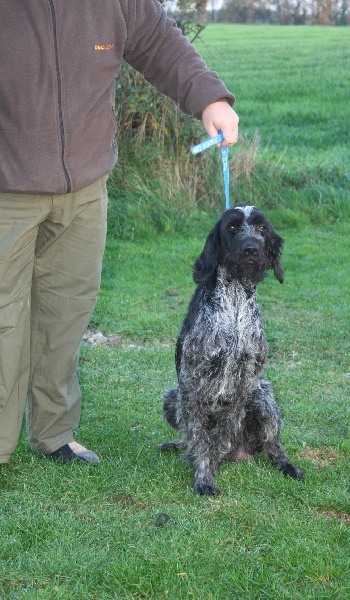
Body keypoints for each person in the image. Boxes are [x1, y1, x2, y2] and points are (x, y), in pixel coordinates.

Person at [0, 0, 239, 465]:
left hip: (86, 188)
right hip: (7, 187)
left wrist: (210, 97)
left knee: (65, 314)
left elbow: (159, 42)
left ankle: (54, 434)